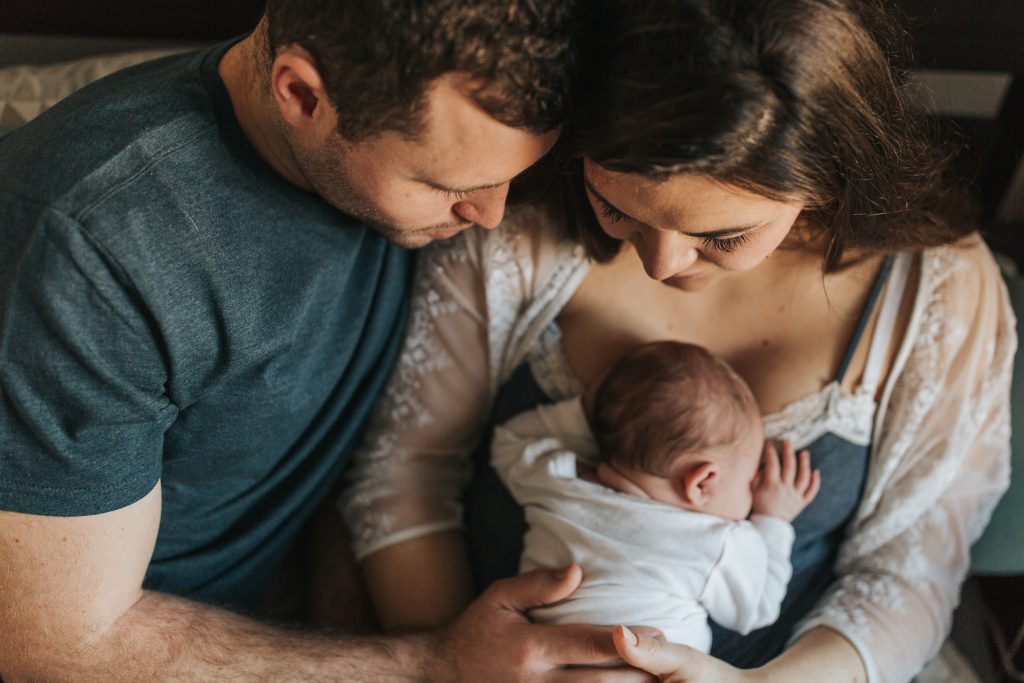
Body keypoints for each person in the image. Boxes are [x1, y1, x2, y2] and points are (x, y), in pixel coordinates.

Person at [339, 0, 1016, 681]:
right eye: (617, 208)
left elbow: (908, 569)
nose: (660, 265)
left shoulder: (938, 293)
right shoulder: (519, 229)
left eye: (722, 237)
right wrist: (461, 658)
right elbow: (407, 477)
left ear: (823, 178)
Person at [0, 2, 659, 680]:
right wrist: (432, 663)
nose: (491, 213)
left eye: (510, 176)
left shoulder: (407, 151)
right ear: (302, 96)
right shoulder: (93, 252)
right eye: (448, 184)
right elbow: (53, 643)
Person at [491, 340, 821, 649]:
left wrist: (585, 411)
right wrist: (773, 518)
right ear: (702, 482)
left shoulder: (556, 479)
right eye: (749, 480)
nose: (752, 491)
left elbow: (507, 441)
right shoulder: (716, 543)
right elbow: (758, 608)